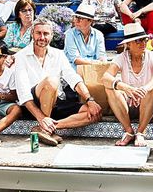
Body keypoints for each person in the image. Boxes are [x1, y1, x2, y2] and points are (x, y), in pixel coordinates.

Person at [14, 17, 103, 145]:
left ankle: (46, 129)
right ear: (32, 33)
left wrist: (90, 100)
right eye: (38, 33)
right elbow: (23, 94)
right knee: (51, 81)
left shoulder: (58, 54)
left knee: (94, 113)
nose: (42, 37)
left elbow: (73, 78)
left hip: (56, 102)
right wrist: (41, 117)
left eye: (46, 33)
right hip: (32, 105)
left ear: (52, 35)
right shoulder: (21, 56)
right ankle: (45, 125)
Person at [102, 22, 153, 146]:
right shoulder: (121, 57)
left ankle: (140, 132)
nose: (142, 43)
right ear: (128, 44)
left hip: (149, 102)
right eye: (138, 41)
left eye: (144, 40)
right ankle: (128, 131)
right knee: (110, 88)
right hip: (128, 103)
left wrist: (145, 89)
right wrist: (125, 87)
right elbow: (105, 77)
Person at [64, 2, 108, 68]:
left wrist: (100, 63)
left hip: (94, 69)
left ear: (90, 21)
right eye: (76, 17)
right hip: (74, 70)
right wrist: (95, 63)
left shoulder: (98, 34)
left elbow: (101, 56)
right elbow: (75, 60)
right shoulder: (69, 34)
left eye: (81, 18)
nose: (77, 21)